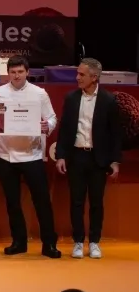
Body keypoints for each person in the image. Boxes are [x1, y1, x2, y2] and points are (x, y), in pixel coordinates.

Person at [0, 55, 61, 259]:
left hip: (32, 154)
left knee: (42, 201)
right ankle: (19, 242)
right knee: (13, 202)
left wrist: (47, 126)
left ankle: (49, 244)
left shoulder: (39, 93)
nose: (16, 76)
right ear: (8, 73)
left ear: (27, 72)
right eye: (13, 72)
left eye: (20, 72)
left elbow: (51, 117)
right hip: (5, 154)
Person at [55, 58, 121, 259]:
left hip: (98, 159)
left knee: (96, 203)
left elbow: (115, 134)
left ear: (94, 77)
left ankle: (94, 242)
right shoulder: (71, 98)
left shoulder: (109, 100)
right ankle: (77, 241)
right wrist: (61, 156)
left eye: (81, 74)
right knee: (76, 202)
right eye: (78, 73)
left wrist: (115, 161)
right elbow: (64, 130)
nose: (77, 78)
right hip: (76, 157)